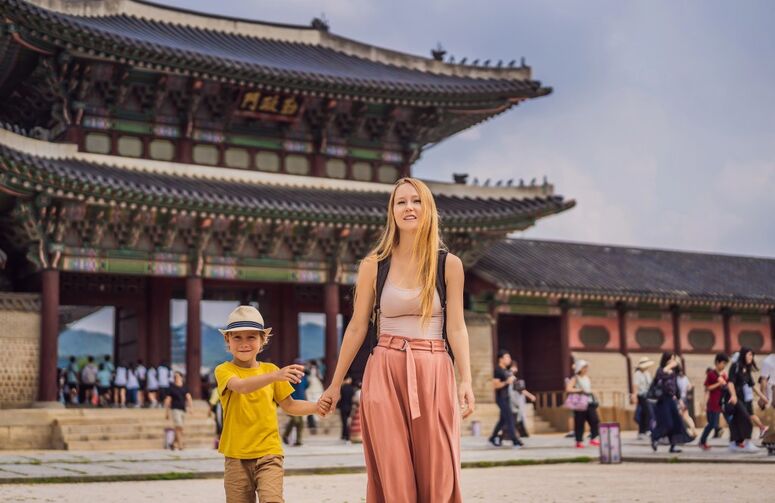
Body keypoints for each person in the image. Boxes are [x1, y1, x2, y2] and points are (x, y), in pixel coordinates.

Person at [319, 178, 475, 503]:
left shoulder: (449, 265)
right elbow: (357, 327)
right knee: (393, 469)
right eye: (400, 202)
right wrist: (334, 384)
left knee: (438, 468)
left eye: (416, 201)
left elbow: (457, 327)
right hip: (385, 369)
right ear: (391, 212)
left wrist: (466, 380)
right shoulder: (373, 265)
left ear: (428, 209)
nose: (409, 208)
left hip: (434, 368)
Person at [214, 305, 325, 503]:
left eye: (251, 337)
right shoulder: (224, 370)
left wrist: (316, 407)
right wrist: (274, 376)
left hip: (269, 452)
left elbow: (290, 405)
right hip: (236, 455)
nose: (244, 343)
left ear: (263, 339)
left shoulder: (271, 370)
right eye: (237, 337)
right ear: (227, 340)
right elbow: (241, 387)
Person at [726, 347, 769, 452]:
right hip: (734, 398)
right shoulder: (735, 366)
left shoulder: (747, 368)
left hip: (743, 398)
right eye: (749, 354)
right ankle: (747, 443)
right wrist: (733, 395)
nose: (751, 357)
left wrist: (763, 397)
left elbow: (752, 385)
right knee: (747, 419)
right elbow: (730, 382)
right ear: (743, 355)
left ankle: (733, 444)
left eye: (752, 355)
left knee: (736, 421)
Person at [650, 352, 693, 453]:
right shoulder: (661, 370)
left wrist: (679, 399)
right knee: (667, 423)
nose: (672, 361)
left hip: (671, 399)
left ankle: (673, 446)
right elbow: (659, 376)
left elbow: (675, 385)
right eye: (670, 359)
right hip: (662, 400)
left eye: (673, 359)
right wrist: (669, 366)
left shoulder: (673, 371)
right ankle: (655, 437)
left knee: (676, 422)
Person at [489, 350, 522, 448]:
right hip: (501, 398)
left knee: (502, 420)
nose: (509, 359)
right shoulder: (498, 370)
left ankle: (493, 437)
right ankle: (515, 440)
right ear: (501, 359)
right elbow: (495, 385)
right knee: (509, 418)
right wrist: (507, 382)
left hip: (507, 398)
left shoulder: (505, 370)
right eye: (507, 357)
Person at [565, 359, 600, 449]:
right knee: (579, 422)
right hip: (580, 403)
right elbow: (568, 389)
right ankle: (579, 441)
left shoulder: (587, 378)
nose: (586, 369)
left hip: (589, 402)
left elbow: (589, 389)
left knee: (595, 420)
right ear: (579, 368)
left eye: (586, 367)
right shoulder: (575, 378)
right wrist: (579, 390)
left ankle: (594, 438)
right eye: (584, 367)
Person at [699, 353, 729, 450]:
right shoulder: (711, 374)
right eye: (723, 363)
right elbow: (708, 388)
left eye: (725, 364)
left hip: (721, 402)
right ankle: (702, 441)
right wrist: (719, 383)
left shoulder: (724, 375)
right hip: (713, 403)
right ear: (717, 362)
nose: (724, 366)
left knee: (728, 421)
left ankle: (736, 441)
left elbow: (727, 386)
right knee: (712, 424)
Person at [282, 359, 308, 447]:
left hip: (302, 401)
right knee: (295, 420)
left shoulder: (304, 377)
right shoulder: (291, 376)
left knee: (301, 423)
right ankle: (285, 435)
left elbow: (306, 386)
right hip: (292, 402)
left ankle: (298, 440)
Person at [164, 371, 193, 450]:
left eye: (177, 376)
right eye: (174, 377)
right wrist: (167, 412)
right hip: (175, 409)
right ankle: (180, 445)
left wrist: (191, 408)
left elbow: (189, 398)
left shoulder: (185, 387)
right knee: (178, 426)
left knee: (180, 428)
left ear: (181, 377)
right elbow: (168, 400)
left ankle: (173, 443)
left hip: (183, 409)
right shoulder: (171, 388)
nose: (175, 378)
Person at [508, 361, 535, 438]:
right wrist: (531, 396)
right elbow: (521, 389)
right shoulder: (511, 378)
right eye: (514, 367)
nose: (515, 369)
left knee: (517, 417)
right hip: (514, 400)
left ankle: (519, 433)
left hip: (514, 399)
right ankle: (515, 433)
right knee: (516, 417)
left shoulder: (511, 378)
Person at [631, 357, 654, 440]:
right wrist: (634, 396)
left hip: (648, 396)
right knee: (647, 413)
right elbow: (635, 386)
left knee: (645, 413)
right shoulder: (637, 374)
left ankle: (643, 431)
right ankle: (645, 430)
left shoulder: (647, 373)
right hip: (641, 396)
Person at [676, 365, 698, 438]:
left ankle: (681, 433)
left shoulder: (676, 378)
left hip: (678, 400)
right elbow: (689, 387)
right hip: (684, 399)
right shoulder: (685, 378)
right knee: (686, 417)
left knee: (678, 417)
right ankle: (694, 430)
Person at [305, 360, 324, 432]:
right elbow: (321, 377)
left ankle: (313, 422)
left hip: (313, 385)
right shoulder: (316, 371)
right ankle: (313, 421)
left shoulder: (310, 370)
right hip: (314, 385)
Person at [338, 374, 355, 443]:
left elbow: (339, 398)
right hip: (349, 407)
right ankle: (345, 436)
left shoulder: (342, 388)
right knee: (348, 422)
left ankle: (345, 435)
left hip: (343, 407)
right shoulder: (351, 388)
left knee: (344, 422)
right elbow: (353, 398)